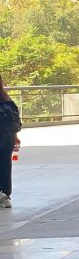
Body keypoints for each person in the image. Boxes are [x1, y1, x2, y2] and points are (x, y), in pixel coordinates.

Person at [0, 75, 21, 209]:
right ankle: (6, 195)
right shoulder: (5, 96)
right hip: (9, 136)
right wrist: (15, 135)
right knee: (5, 164)